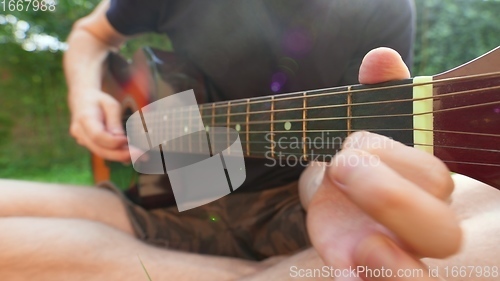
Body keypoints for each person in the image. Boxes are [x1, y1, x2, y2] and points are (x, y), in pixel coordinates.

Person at [0, 1, 498, 281]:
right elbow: (91, 34)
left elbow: (358, 140)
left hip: (294, 207)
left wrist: (341, 179)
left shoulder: (378, 9)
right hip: (175, 195)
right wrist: (86, 96)